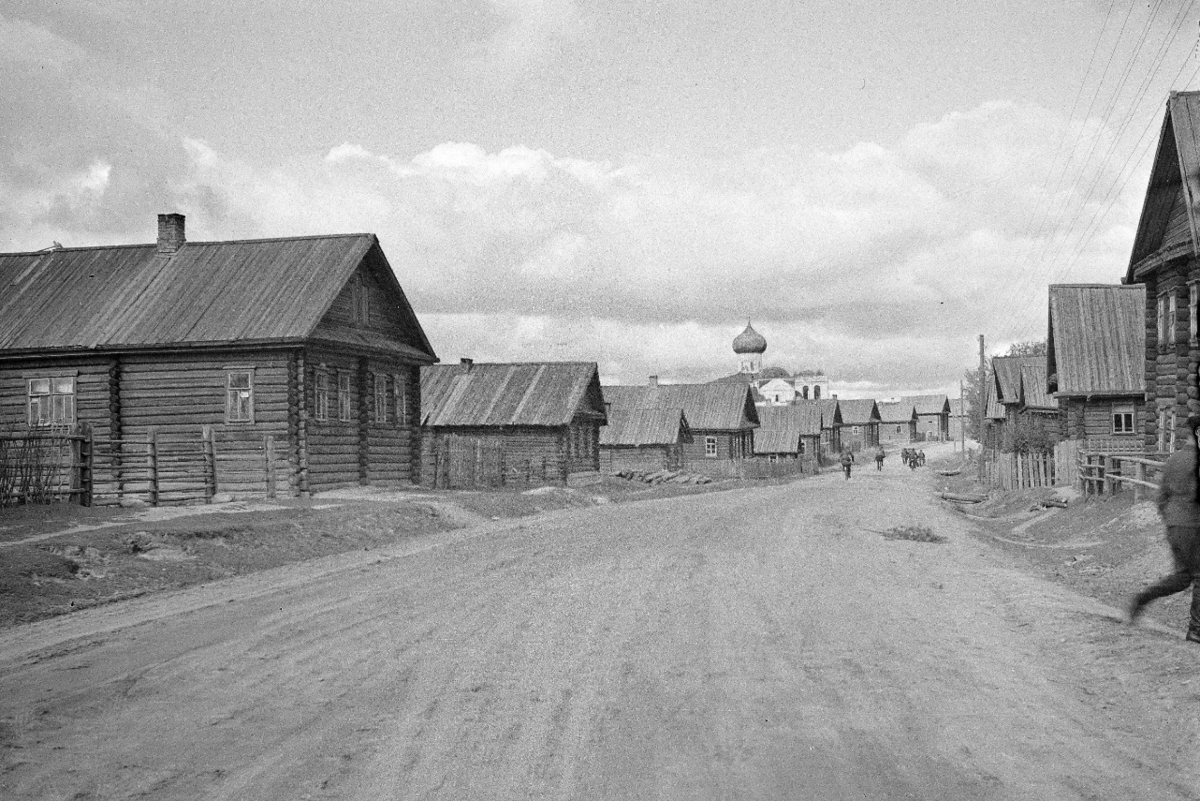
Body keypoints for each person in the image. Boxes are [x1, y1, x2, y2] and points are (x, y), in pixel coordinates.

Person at [1127, 414, 1200, 643]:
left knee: (1182, 578)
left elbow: (1161, 497)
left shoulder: (1174, 460)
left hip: (1174, 525)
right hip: (1193, 525)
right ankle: (1196, 630)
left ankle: (1141, 599)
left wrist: (1170, 520)